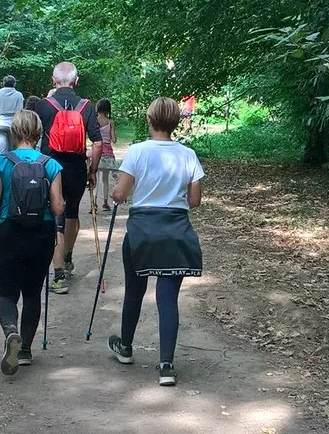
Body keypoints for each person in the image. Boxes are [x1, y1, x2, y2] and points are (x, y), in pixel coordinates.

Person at [106, 97, 204, 387]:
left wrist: (114, 192)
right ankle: (166, 365)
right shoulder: (188, 155)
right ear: (176, 123)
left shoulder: (137, 151)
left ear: (149, 121)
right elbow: (195, 201)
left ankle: (125, 347)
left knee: (134, 293)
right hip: (175, 231)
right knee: (167, 299)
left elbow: (120, 195)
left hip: (141, 231)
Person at [0, 110, 65, 376]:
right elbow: (58, 208)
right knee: (33, 293)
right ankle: (24, 351)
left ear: (14, 132)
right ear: (39, 134)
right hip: (42, 233)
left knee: (7, 293)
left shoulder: (1, 163)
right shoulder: (51, 164)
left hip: (10, 232)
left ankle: (10, 332)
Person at [24, 61, 102, 295]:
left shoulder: (43, 106)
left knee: (54, 216)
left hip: (50, 168)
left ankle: (58, 276)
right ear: (76, 81)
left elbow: (30, 138)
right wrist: (92, 170)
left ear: (53, 80)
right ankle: (67, 257)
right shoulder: (86, 106)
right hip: (77, 168)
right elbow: (97, 142)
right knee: (72, 213)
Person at [0, 75, 24, 155]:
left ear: (3, 83)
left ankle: (1, 166)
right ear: (14, 84)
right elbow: (20, 111)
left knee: (2, 151)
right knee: (13, 151)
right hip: (14, 125)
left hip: (0, 124)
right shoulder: (19, 95)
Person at [95, 98, 118, 210]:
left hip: (97, 153)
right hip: (108, 154)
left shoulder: (95, 121)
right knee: (105, 180)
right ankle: (105, 203)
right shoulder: (110, 122)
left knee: (96, 178)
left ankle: (94, 203)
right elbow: (114, 140)